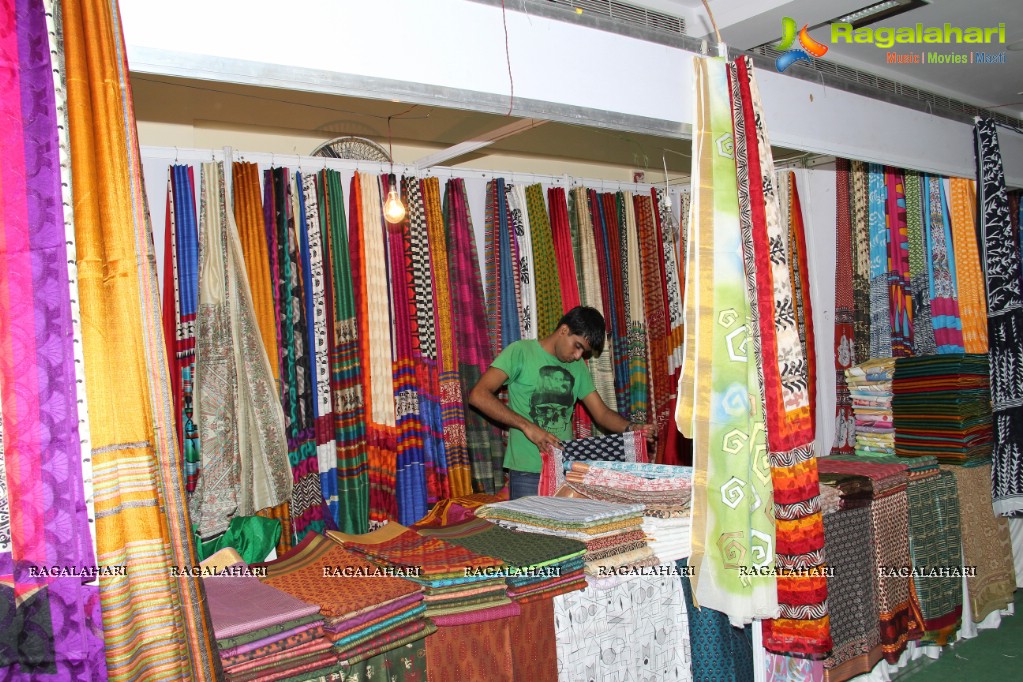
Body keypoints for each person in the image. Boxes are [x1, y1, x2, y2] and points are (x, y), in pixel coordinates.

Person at [468, 306, 655, 499]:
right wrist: (527, 426)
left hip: (566, 470)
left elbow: (602, 414)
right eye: (578, 346)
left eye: (583, 351)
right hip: (527, 472)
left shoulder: (577, 368)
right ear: (564, 330)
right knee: (527, 529)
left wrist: (632, 428)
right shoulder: (520, 352)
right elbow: (478, 395)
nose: (577, 356)